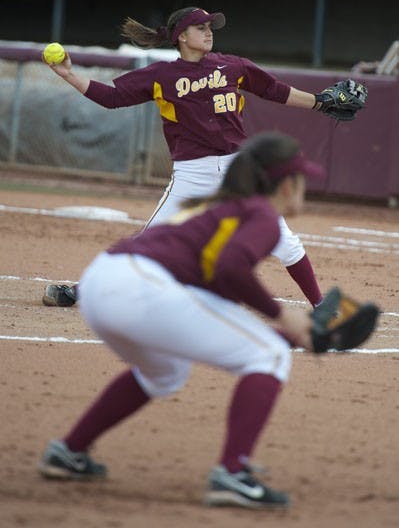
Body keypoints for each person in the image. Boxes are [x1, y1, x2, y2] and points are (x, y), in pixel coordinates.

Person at [38, 130, 325, 509]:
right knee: (269, 356)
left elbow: (214, 307)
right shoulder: (261, 214)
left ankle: (69, 451)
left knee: (167, 372)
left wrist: (294, 334)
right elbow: (232, 267)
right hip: (140, 287)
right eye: (301, 178)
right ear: (286, 185)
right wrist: (285, 318)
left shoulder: (217, 206)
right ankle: (232, 474)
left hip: (101, 282)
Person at [42, 6, 326, 310]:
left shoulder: (232, 66)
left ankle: (322, 308)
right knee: (149, 241)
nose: (208, 32)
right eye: (201, 27)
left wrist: (320, 102)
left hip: (239, 170)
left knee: (283, 239)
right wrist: (70, 75)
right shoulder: (163, 75)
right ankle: (80, 291)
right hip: (193, 173)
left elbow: (274, 89)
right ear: (181, 36)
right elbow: (112, 97)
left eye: (210, 27)